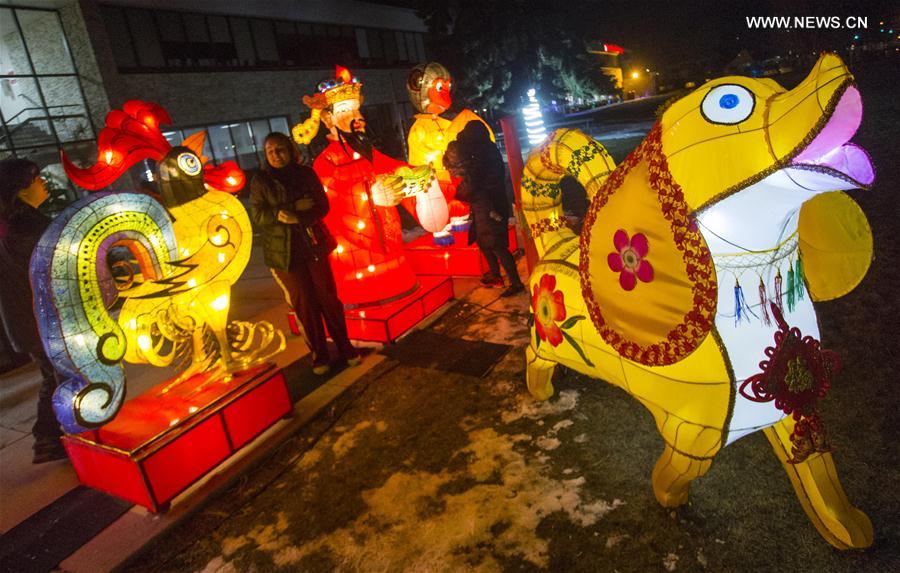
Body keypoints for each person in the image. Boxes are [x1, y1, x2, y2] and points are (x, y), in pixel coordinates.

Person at [250, 133, 360, 375]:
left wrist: (299, 217)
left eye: (280, 149)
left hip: (313, 246)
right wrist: (287, 210)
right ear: (265, 155)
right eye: (270, 151)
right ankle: (320, 355)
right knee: (304, 305)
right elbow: (257, 215)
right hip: (283, 253)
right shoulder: (261, 181)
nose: (276, 155)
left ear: (290, 150)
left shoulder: (305, 173)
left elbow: (322, 205)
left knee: (328, 298)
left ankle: (346, 347)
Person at [0, 159, 66, 463]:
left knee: (54, 375)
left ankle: (51, 439)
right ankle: (53, 437)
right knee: (62, 374)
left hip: (27, 320)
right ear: (22, 187)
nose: (44, 184)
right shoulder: (27, 226)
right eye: (38, 179)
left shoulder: (14, 223)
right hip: (41, 318)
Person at [447, 121, 525, 297]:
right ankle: (496, 276)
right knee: (483, 242)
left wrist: (462, 191)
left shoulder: (483, 154)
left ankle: (516, 283)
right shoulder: (484, 151)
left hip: (491, 206)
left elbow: (480, 180)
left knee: (497, 245)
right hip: (483, 205)